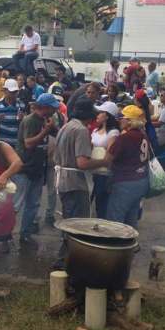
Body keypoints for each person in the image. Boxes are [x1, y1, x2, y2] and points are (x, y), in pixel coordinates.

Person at [53, 99, 107, 266]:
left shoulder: (67, 126)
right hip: (75, 182)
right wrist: (104, 162)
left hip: (62, 180)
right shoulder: (81, 130)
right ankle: (67, 262)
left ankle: (64, 260)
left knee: (69, 222)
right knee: (77, 225)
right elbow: (82, 163)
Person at [15, 93, 60, 247]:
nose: (55, 110)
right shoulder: (31, 120)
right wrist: (45, 132)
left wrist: (53, 128)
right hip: (25, 168)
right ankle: (3, 235)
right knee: (16, 204)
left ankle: (25, 234)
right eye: (52, 107)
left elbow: (58, 134)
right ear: (45, 107)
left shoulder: (44, 120)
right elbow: (28, 143)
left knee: (33, 204)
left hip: (38, 168)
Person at [99, 105, 150, 228]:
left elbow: (107, 160)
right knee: (131, 220)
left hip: (125, 182)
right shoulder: (143, 135)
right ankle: (130, 244)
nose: (119, 120)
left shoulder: (124, 138)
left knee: (115, 221)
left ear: (130, 120)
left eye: (122, 117)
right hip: (141, 180)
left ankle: (116, 246)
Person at [91, 101, 120, 219]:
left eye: (100, 113)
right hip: (91, 171)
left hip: (104, 173)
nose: (97, 115)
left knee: (102, 204)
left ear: (107, 116)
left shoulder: (113, 133)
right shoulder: (94, 131)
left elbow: (110, 154)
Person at [0, 78, 26, 147]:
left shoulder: (21, 105)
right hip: (2, 144)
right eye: (12, 92)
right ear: (5, 91)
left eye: (16, 92)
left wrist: (22, 120)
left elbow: (24, 127)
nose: (14, 94)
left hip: (17, 144)